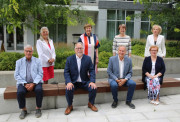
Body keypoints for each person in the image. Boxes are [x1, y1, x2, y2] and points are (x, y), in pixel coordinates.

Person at [64, 42, 98, 115]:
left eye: (80, 48)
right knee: (68, 89)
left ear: (83, 49)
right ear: (75, 49)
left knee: (93, 88)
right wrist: (69, 82)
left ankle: (91, 103)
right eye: (77, 48)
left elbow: (92, 71)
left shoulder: (88, 59)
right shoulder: (69, 59)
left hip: (84, 81)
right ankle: (70, 106)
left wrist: (92, 81)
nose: (79, 50)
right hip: (73, 82)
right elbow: (66, 72)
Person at [14, 45, 43, 119]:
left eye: (30, 51)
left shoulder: (38, 61)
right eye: (26, 51)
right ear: (24, 52)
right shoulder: (19, 62)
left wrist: (33, 84)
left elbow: (40, 74)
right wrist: (25, 83)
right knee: (20, 92)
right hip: (23, 82)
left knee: (39, 90)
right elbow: (16, 75)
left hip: (35, 82)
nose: (28, 53)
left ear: (32, 52)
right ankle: (23, 109)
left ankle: (38, 108)